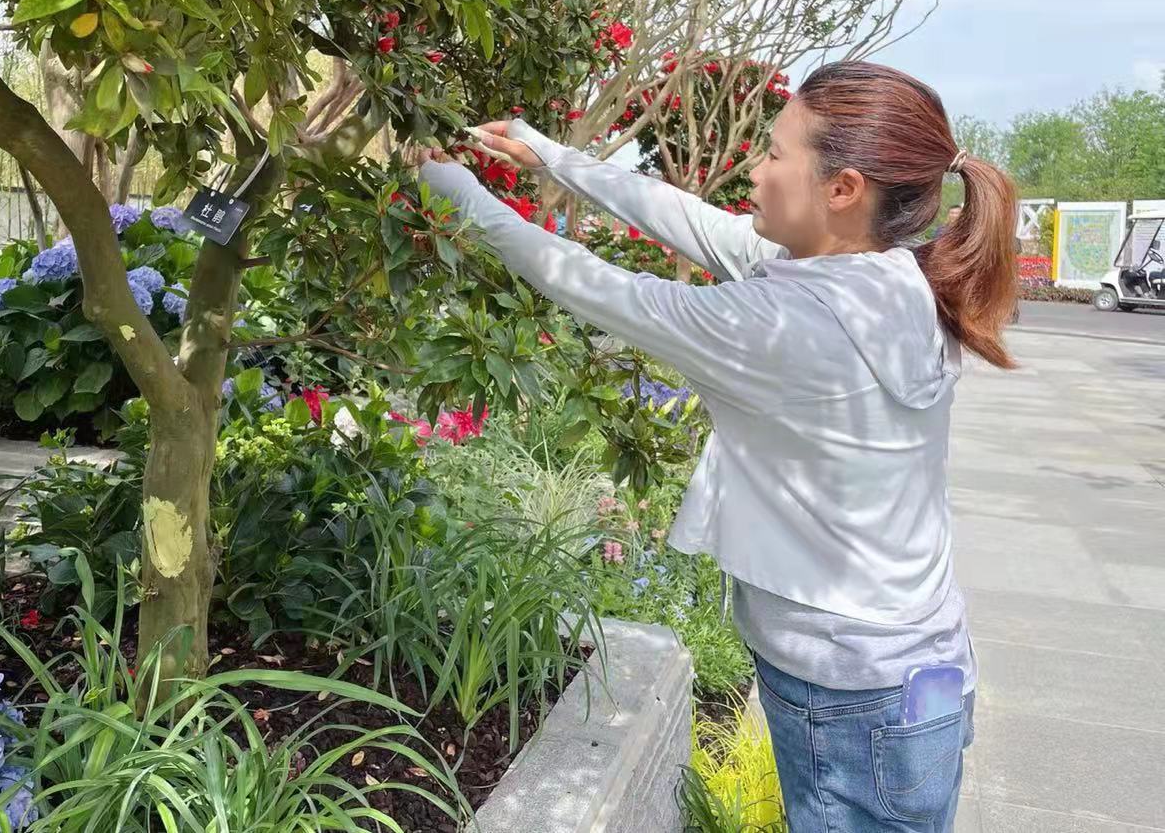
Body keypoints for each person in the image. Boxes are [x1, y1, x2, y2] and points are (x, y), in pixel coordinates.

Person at [408, 61, 1020, 833]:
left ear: (842, 189)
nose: (753, 172)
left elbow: (588, 282)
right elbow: (685, 217)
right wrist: (548, 153)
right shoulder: (896, 279)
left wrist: (451, 187)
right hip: (923, 674)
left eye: (773, 155)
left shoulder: (779, 323)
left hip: (847, 699)